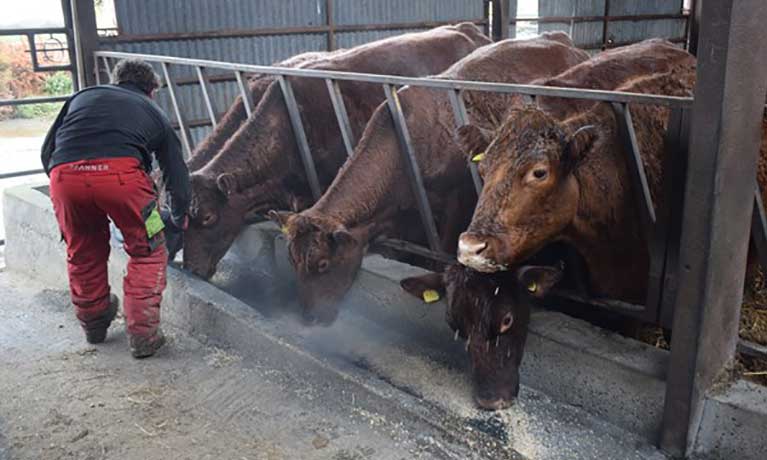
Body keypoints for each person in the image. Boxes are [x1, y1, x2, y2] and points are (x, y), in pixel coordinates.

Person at [41, 59, 190, 358]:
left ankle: (94, 323)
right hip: (125, 183)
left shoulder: (81, 97)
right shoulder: (153, 111)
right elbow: (175, 169)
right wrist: (179, 212)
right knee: (150, 249)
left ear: (116, 80)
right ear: (152, 90)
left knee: (82, 249)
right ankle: (143, 335)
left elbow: (48, 151)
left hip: (65, 179)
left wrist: (67, 190)